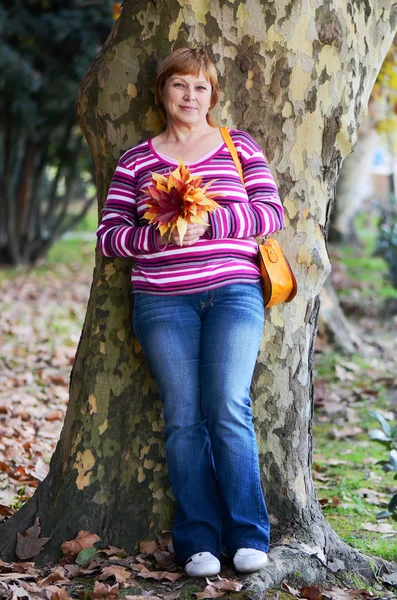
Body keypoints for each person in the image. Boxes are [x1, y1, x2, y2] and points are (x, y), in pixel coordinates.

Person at [97, 47, 284, 577]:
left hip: (233, 292)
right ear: (163, 92)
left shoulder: (237, 145)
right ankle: (197, 539)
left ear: (213, 96)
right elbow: (109, 237)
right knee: (183, 417)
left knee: (227, 405)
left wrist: (213, 224)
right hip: (162, 300)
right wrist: (155, 234)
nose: (190, 96)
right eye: (180, 85)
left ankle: (248, 534)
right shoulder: (136, 160)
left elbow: (273, 212)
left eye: (201, 88)